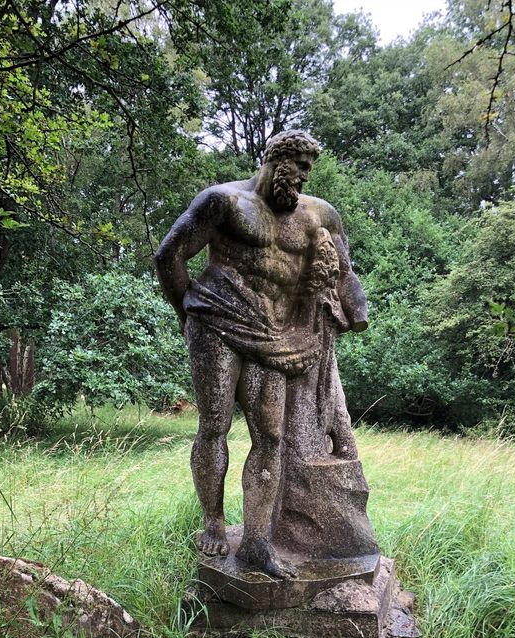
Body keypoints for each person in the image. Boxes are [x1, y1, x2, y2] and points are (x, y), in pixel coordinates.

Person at [154, 130, 368, 579]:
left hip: (275, 337)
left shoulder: (319, 215)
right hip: (217, 320)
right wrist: (186, 311)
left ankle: (256, 541)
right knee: (214, 423)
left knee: (270, 437)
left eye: (310, 169)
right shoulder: (224, 202)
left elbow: (346, 273)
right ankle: (213, 521)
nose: (305, 177)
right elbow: (169, 255)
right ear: (276, 160)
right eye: (300, 166)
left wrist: (356, 312)